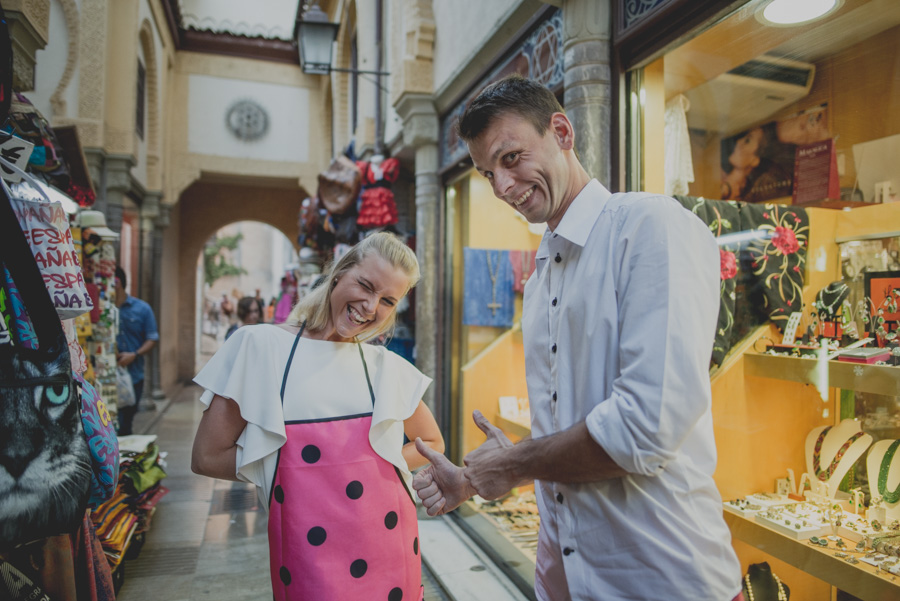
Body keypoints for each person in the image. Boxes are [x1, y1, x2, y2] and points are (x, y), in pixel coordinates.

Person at [412, 75, 742, 600]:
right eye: (486, 173)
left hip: (659, 578)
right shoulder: (543, 271)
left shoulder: (649, 227)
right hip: (562, 576)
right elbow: (567, 430)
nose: (500, 187)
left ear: (562, 132)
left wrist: (512, 463)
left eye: (512, 157)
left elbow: (644, 427)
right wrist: (479, 477)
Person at [191, 231, 443, 601]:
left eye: (387, 300)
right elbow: (207, 457)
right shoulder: (259, 347)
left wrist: (367, 466)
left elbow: (432, 442)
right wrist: (292, 472)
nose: (371, 307)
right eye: (366, 285)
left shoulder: (387, 368)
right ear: (339, 273)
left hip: (390, 543)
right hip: (307, 549)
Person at [115, 265, 159, 435]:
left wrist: (135, 354)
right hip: (105, 377)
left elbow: (152, 338)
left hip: (133, 376)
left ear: (117, 282)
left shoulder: (142, 309)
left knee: (125, 424)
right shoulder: (100, 308)